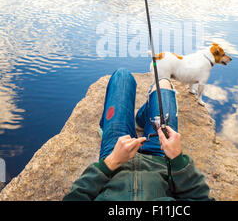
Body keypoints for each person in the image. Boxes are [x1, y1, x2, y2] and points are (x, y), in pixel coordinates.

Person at [63, 68, 214, 201]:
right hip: (161, 159)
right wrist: (177, 160)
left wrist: (109, 163)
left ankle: (116, 126)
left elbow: (76, 196)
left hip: (115, 159)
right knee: (163, 84)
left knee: (122, 76)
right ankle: (143, 119)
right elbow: (198, 197)